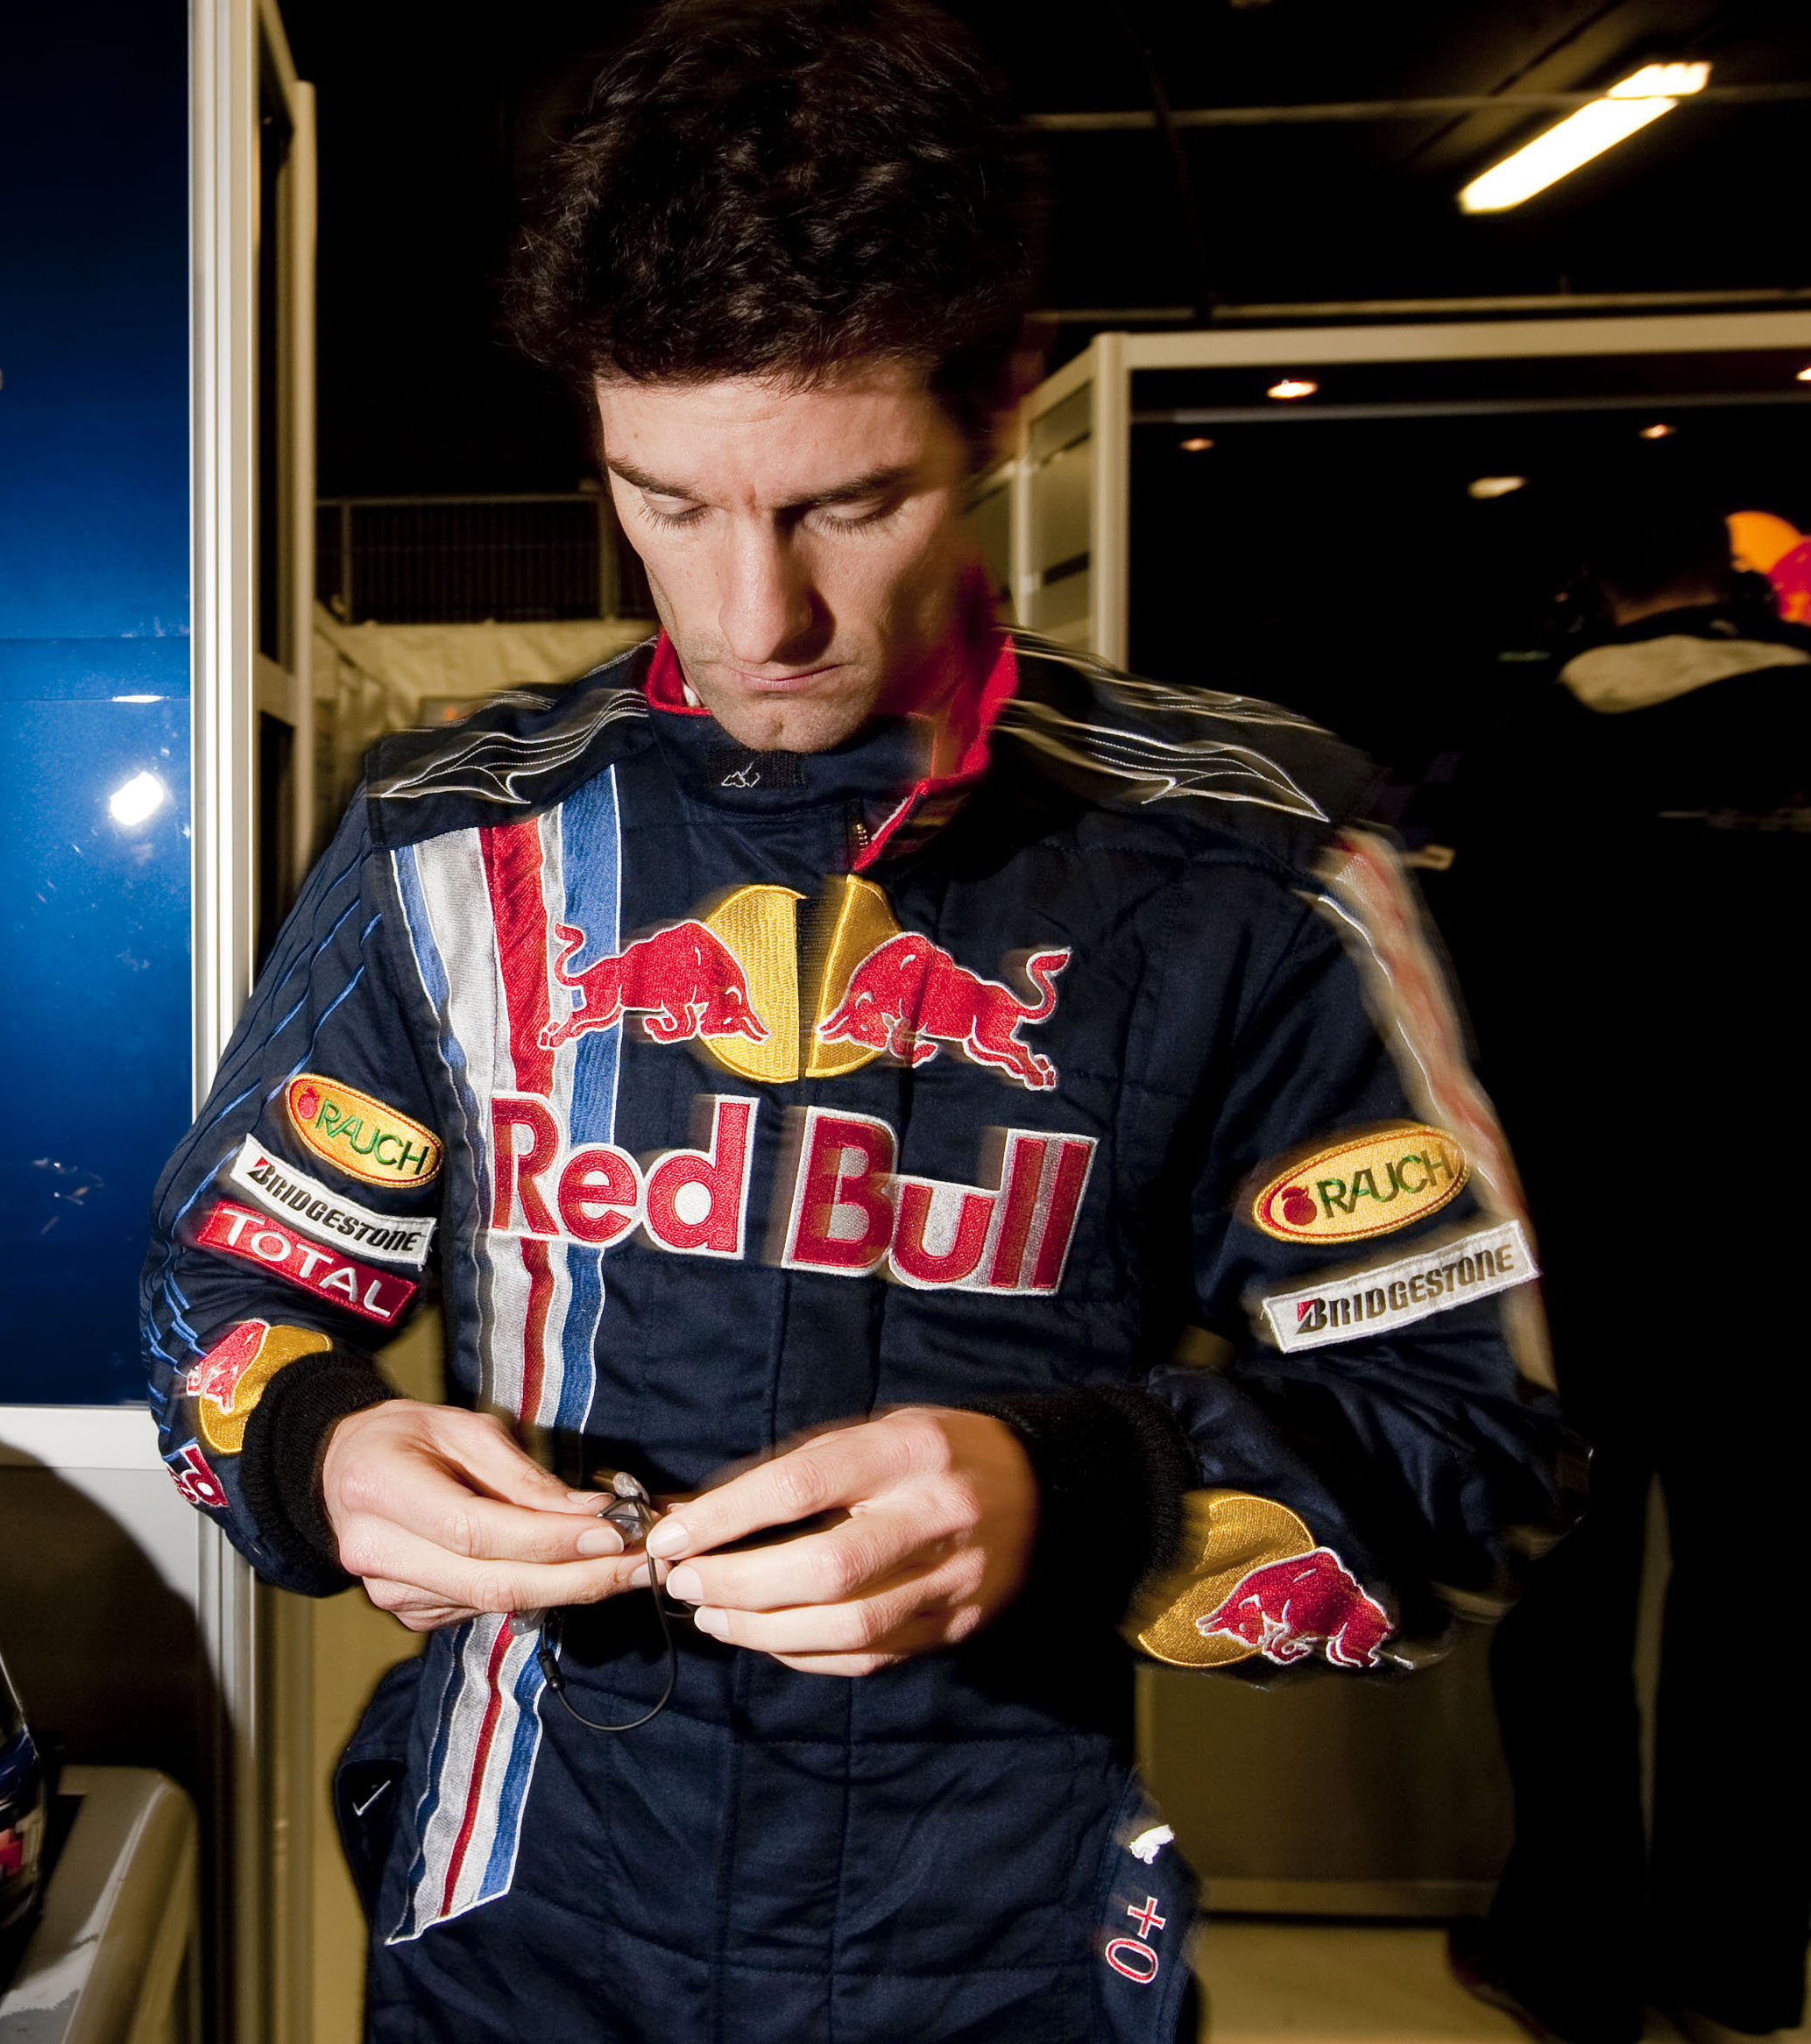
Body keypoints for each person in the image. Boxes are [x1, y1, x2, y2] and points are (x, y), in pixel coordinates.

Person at [139, 3, 1570, 2035]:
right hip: (513, 1924)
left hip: (998, 1959)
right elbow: (226, 1295)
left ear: (998, 408)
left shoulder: (1253, 861)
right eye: (667, 502)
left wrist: (1076, 1494)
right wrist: (320, 1446)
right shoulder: (450, 839)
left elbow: (1477, 1451)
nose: (757, 619)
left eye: (844, 502)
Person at [1438, 477, 1811, 2044]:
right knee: (1766, 1602)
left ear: (1590, 581)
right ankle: (1736, 1961)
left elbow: (1468, 1009)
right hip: (1786, 1242)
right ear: (1726, 571)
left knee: (1568, 1597)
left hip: (1589, 1234)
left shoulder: (1546, 743)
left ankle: (1571, 1955)